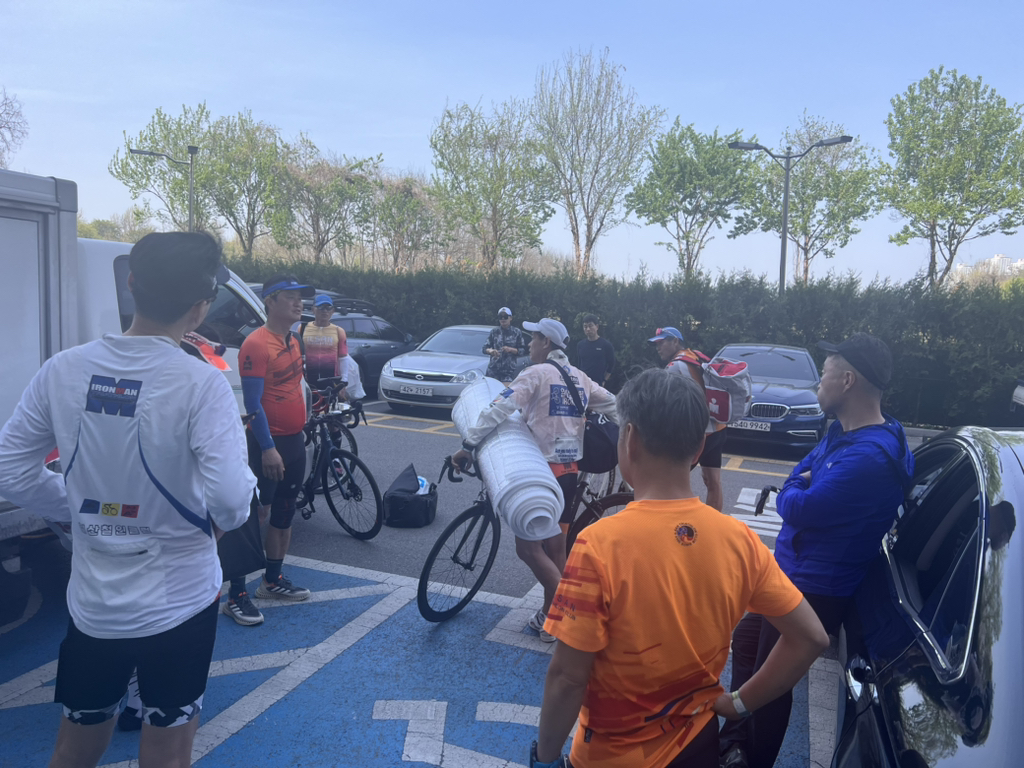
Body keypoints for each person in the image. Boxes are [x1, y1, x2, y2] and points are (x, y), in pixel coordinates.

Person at [0, 232, 256, 768]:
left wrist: (76, 508)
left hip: (93, 605)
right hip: (181, 600)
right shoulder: (201, 383)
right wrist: (209, 524)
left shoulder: (62, 368)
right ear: (201, 305)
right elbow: (233, 501)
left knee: (74, 746)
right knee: (167, 753)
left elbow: (9, 468)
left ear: (132, 284)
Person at [531, 368, 829, 768]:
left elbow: (568, 678)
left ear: (630, 438)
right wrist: (738, 704)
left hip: (611, 756)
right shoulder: (739, 539)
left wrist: (545, 758)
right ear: (700, 447)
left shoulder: (599, 544)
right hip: (696, 745)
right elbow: (810, 637)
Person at [719, 332, 915, 768]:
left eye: (824, 374)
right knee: (747, 639)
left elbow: (797, 507)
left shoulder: (868, 458)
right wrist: (804, 479)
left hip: (814, 586)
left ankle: (749, 759)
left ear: (847, 381)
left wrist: (795, 485)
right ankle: (733, 743)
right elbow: (806, 468)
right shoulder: (845, 431)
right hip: (793, 574)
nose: (818, 384)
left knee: (772, 684)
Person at [453, 317, 617, 643]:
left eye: (533, 339)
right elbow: (614, 405)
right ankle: (547, 619)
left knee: (528, 549)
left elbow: (500, 406)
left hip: (538, 474)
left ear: (546, 343)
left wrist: (469, 444)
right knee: (556, 548)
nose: (529, 344)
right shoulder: (580, 377)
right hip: (569, 474)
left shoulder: (536, 373)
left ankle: (572, 613)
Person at [222, 274, 315, 626]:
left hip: (294, 441)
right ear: (270, 301)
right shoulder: (256, 344)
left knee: (285, 511)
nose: (298, 303)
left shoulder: (294, 339)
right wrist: (267, 447)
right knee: (249, 517)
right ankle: (235, 595)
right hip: (267, 444)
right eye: (290, 297)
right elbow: (253, 404)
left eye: (300, 296)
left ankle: (272, 581)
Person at [649, 326, 727, 511]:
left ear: (675, 341)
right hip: (718, 428)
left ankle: (673, 520)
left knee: (667, 481)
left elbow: (664, 401)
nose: (658, 348)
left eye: (662, 343)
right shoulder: (696, 356)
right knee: (713, 482)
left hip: (698, 433)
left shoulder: (675, 365)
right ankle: (713, 525)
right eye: (656, 344)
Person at [301, 294, 349, 394]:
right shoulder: (302, 328)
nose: (325, 311)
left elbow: (343, 358)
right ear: (313, 309)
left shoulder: (339, 331)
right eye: (321, 307)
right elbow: (298, 356)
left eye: (328, 308)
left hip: (331, 380)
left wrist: (344, 381)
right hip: (308, 381)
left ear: (333, 311)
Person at [483, 306, 528, 383]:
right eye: (501, 317)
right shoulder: (494, 332)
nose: (503, 319)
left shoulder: (516, 332)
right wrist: (491, 351)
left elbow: (523, 351)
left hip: (509, 372)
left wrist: (511, 350)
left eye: (505, 317)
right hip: (493, 371)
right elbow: (484, 348)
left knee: (506, 390)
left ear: (510, 318)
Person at [576, 314, 615, 387]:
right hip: (583, 383)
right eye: (585, 326)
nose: (588, 329)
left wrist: (604, 380)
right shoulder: (580, 345)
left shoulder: (606, 345)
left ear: (597, 327)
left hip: (598, 384)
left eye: (590, 326)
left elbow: (611, 364)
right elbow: (579, 364)